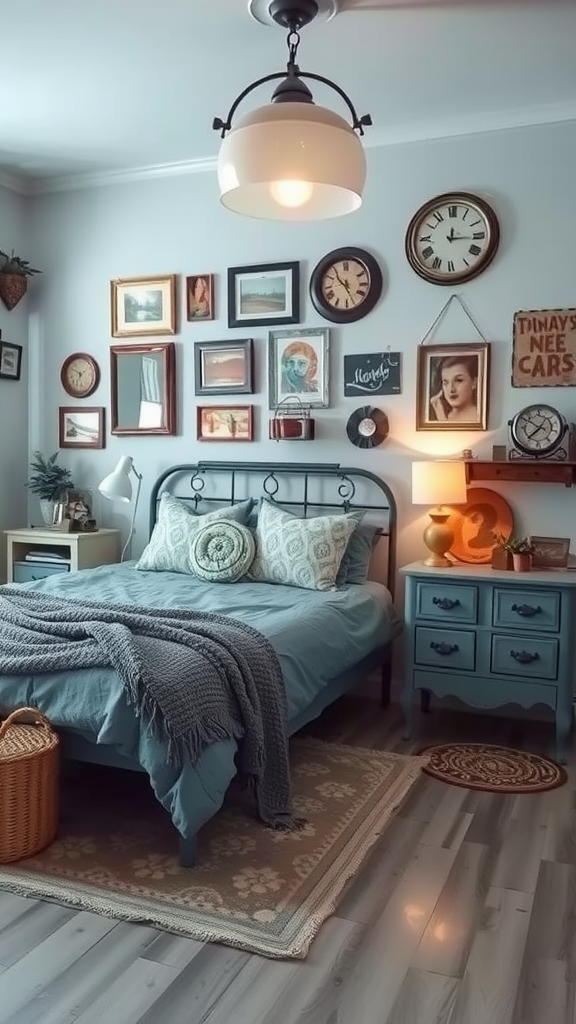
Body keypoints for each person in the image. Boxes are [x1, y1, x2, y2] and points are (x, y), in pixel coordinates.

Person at [429, 354, 479, 423]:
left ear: (474, 382)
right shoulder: (436, 412)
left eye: (458, 380)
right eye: (445, 382)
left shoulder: (478, 417)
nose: (451, 389)